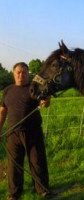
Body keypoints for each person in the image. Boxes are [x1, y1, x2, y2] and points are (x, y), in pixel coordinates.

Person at [0, 62, 54, 200]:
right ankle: (14, 193)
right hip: (13, 134)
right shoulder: (7, 91)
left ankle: (42, 189)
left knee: (37, 162)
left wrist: (46, 101)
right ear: (13, 74)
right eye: (18, 72)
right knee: (14, 165)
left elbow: (45, 103)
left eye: (24, 72)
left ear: (27, 74)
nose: (21, 75)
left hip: (33, 132)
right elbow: (2, 112)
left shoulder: (34, 88)